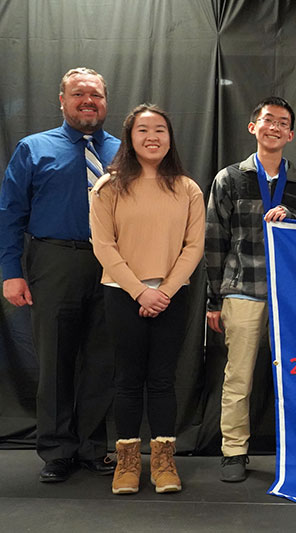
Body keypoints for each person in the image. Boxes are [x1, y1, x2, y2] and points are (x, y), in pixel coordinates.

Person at [0, 67, 120, 482]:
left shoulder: (123, 153)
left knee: (102, 360)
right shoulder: (33, 148)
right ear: (61, 100)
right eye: (79, 94)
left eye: (96, 95)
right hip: (53, 261)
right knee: (56, 359)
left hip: (113, 266)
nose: (89, 101)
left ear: (106, 101)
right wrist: (11, 272)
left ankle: (92, 447)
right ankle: (57, 450)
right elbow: (11, 214)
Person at [90, 104, 205, 494]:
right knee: (127, 379)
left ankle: (163, 461)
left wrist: (165, 291)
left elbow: (193, 248)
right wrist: (139, 290)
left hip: (173, 295)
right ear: (130, 137)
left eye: (160, 129)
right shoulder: (109, 186)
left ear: (170, 137)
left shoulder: (188, 189)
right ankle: (126, 463)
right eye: (143, 130)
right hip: (122, 293)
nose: (152, 136)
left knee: (161, 380)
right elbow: (103, 246)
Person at [206, 96, 296, 482]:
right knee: (238, 378)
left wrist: (295, 219)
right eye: (267, 119)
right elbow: (215, 240)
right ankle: (234, 451)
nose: (274, 126)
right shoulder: (229, 178)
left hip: (290, 298)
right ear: (253, 127)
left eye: (282, 122)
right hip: (242, 290)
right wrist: (213, 299)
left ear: (290, 134)